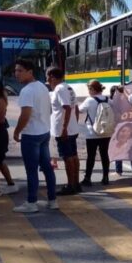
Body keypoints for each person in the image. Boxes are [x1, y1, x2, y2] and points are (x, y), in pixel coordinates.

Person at [12, 58, 57, 213]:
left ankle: (31, 202)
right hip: (44, 132)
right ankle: (52, 200)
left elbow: (25, 114)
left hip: (31, 135)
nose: (16, 73)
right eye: (16, 70)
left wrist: (17, 131)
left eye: (20, 70)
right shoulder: (42, 87)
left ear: (30, 72)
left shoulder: (27, 90)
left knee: (31, 170)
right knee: (47, 168)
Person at [47, 67, 81, 195]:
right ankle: (76, 183)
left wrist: (64, 128)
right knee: (73, 156)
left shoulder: (59, 89)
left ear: (52, 77)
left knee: (67, 158)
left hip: (63, 129)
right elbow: (75, 108)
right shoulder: (69, 88)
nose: (48, 80)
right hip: (71, 128)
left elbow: (67, 108)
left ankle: (70, 185)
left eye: (48, 77)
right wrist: (74, 123)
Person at [79, 80, 117, 185]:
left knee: (91, 155)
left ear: (92, 89)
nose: (88, 91)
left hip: (92, 133)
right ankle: (105, 177)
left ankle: (87, 178)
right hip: (106, 132)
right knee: (104, 154)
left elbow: (79, 110)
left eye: (89, 89)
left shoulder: (89, 100)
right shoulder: (108, 100)